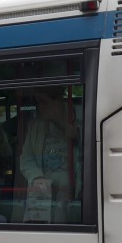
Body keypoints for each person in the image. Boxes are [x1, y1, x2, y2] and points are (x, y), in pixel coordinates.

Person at [19, 88, 82, 223]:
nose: (40, 107)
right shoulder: (35, 125)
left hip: (71, 191)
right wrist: (36, 176)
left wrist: (64, 125)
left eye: (44, 102)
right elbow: (26, 158)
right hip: (43, 191)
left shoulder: (79, 117)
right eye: (38, 103)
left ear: (58, 101)